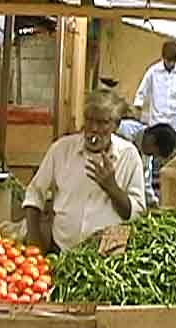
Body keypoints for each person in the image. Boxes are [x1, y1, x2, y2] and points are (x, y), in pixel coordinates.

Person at [22, 90, 146, 252]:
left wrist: (112, 187)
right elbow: (34, 193)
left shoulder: (128, 155)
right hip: (62, 247)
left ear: (115, 126)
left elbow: (135, 213)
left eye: (102, 123)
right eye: (89, 120)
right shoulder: (61, 149)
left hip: (109, 254)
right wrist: (34, 239)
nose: (94, 128)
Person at [133, 41, 176, 148]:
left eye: (172, 61)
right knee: (158, 155)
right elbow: (141, 92)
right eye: (168, 61)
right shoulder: (153, 71)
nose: (170, 64)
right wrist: (138, 108)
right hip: (157, 122)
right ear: (163, 58)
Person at [116, 106, 176, 208]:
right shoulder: (123, 133)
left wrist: (153, 201)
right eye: (154, 153)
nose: (152, 156)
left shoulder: (146, 154)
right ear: (151, 140)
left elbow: (145, 179)